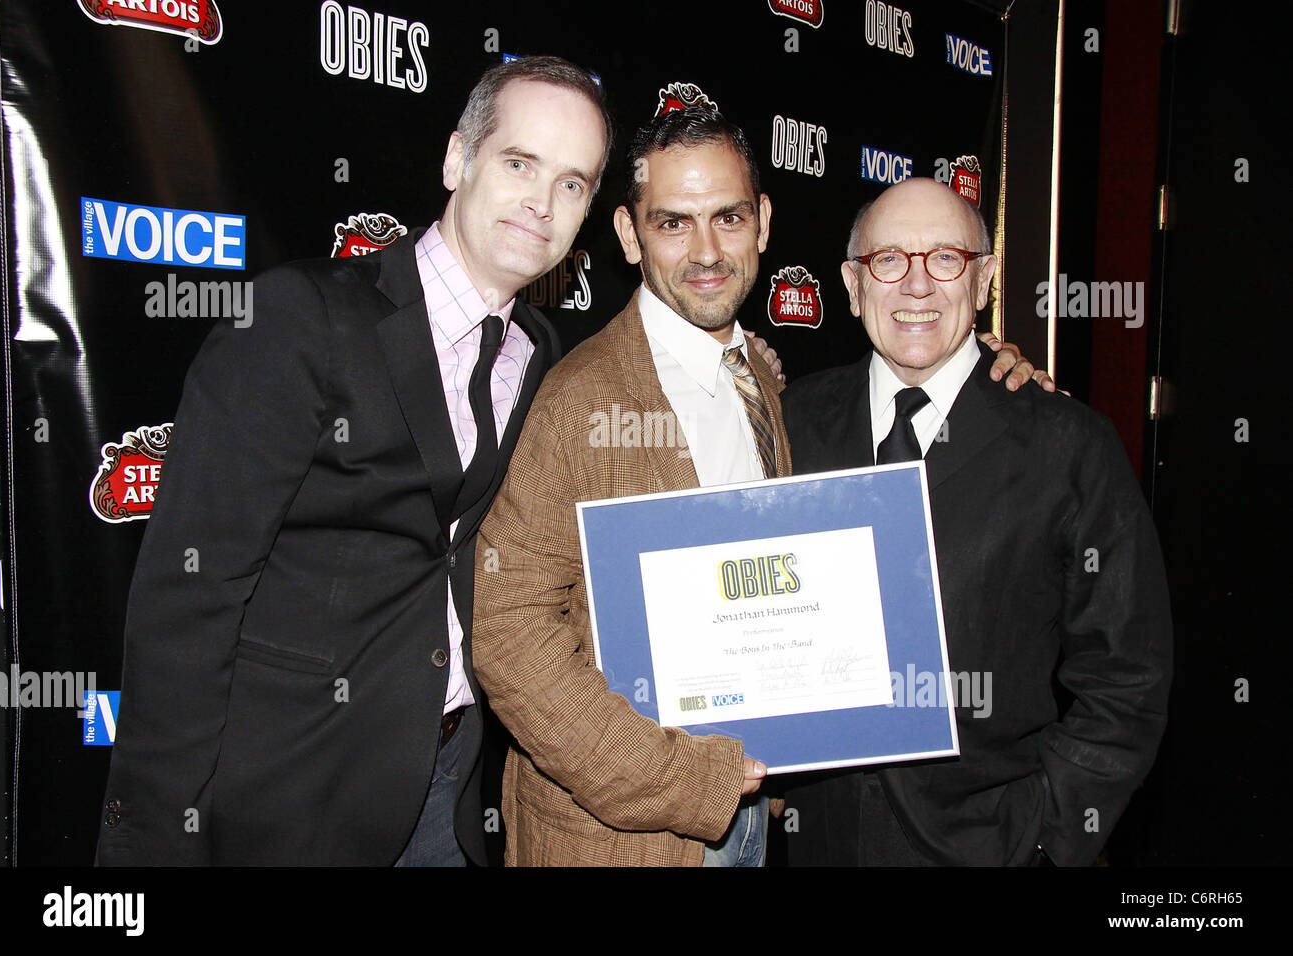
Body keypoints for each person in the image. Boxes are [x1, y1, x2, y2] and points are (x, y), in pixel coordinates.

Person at [471, 111, 1045, 866]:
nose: (706, 252)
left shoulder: (770, 386)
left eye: (728, 217)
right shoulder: (582, 400)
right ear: (628, 233)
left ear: (763, 221)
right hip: (626, 838)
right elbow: (507, 627)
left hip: (758, 819)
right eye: (673, 223)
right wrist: (681, 780)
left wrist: (988, 371)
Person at [96, 55, 613, 866]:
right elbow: (187, 599)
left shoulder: (540, 354)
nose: (543, 204)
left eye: (574, 183)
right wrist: (150, 846)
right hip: (288, 792)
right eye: (520, 163)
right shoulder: (300, 318)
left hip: (448, 788)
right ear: (457, 159)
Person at [781, 178, 1172, 866]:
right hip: (820, 840)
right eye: (890, 259)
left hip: (992, 846)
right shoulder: (792, 424)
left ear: (984, 277)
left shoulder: (1067, 444)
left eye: (946, 259)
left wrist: (1046, 830)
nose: (918, 284)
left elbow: (1128, 675)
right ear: (850, 283)